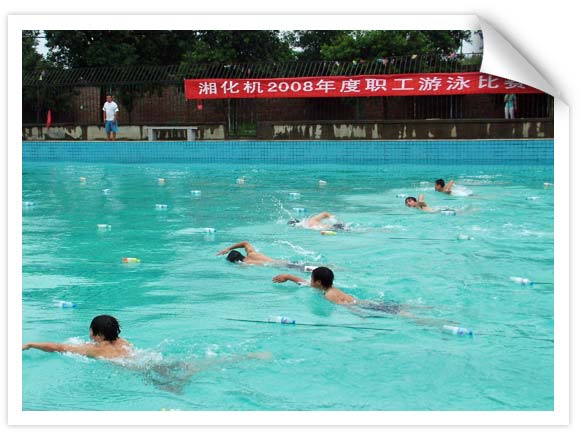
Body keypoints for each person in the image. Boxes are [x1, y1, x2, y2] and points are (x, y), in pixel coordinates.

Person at [22, 315, 131, 359]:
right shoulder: (123, 342)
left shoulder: (94, 350)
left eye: (91, 329)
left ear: (99, 335)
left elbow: (57, 347)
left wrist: (30, 345)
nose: (90, 332)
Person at [272, 266, 356, 305]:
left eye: (311, 278)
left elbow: (346, 306)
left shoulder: (329, 295)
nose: (310, 280)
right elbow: (305, 283)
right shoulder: (328, 287)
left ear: (318, 282)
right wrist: (287, 276)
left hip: (357, 306)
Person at [217, 241, 316, 272]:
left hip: (284, 267)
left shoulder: (245, 264)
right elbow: (245, 243)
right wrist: (228, 248)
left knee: (311, 270)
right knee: (315, 267)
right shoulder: (252, 253)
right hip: (285, 262)